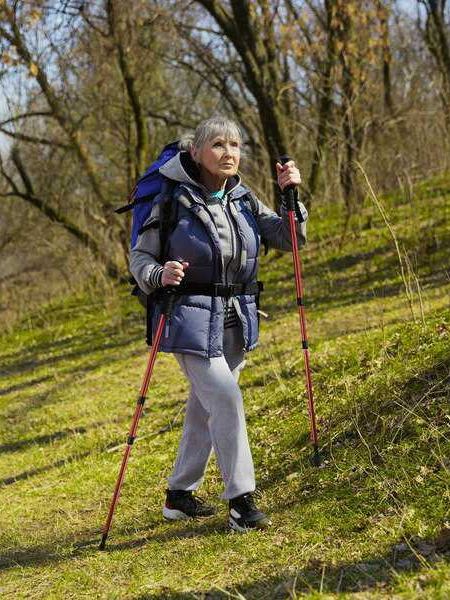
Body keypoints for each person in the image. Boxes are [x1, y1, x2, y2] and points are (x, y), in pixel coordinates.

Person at [129, 116, 307, 532]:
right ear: (197, 152)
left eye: (235, 145)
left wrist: (289, 198)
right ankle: (242, 502)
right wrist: (160, 274)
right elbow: (140, 259)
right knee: (225, 399)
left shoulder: (243, 198)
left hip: (236, 320)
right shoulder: (172, 199)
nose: (229, 153)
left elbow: (289, 238)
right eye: (218, 145)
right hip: (187, 318)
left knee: (204, 408)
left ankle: (178, 495)